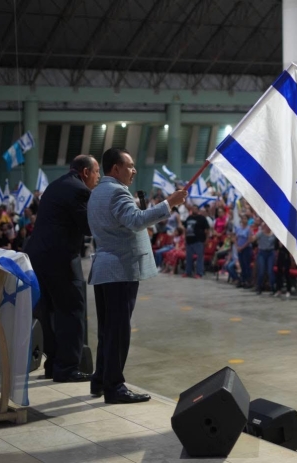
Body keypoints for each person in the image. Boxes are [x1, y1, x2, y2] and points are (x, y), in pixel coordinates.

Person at [88, 148, 187, 404]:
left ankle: (100, 379)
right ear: (115, 168)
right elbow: (135, 220)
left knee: (107, 330)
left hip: (104, 268)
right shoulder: (117, 191)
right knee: (119, 331)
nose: (134, 170)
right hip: (120, 268)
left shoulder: (97, 191)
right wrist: (169, 203)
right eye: (129, 166)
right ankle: (114, 387)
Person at [25, 155, 101, 383]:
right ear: (86, 172)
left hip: (38, 257)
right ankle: (67, 368)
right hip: (60, 259)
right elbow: (88, 227)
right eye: (97, 171)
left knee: (48, 312)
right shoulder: (80, 190)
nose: (99, 177)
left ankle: (53, 364)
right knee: (72, 311)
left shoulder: (55, 185)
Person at [183, 205, 209, 278]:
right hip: (189, 240)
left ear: (198, 210)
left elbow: (207, 230)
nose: (194, 210)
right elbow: (185, 229)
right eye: (193, 208)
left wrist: (207, 239)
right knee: (188, 257)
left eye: (195, 209)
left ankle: (199, 273)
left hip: (198, 240)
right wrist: (184, 238)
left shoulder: (202, 218)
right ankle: (188, 272)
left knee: (199, 258)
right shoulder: (189, 218)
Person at [253, 223, 277, 295]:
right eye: (266, 226)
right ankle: (259, 287)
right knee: (261, 271)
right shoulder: (260, 233)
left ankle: (273, 288)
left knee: (270, 271)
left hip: (270, 253)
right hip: (262, 253)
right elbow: (253, 239)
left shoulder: (273, 234)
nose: (267, 227)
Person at [234, 214, 253, 287]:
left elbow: (249, 240)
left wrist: (242, 247)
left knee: (246, 265)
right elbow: (236, 238)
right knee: (241, 265)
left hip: (246, 249)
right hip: (239, 249)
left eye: (245, 218)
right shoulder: (238, 228)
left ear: (247, 220)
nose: (243, 220)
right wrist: (237, 246)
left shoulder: (249, 229)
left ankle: (248, 281)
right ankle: (242, 280)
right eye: (242, 218)